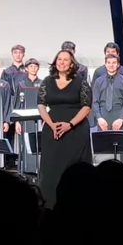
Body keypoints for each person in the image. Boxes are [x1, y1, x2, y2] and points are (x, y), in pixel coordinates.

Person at [37, 49, 93, 208]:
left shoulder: (81, 82)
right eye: (59, 59)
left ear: (72, 63)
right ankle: (49, 206)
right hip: (52, 130)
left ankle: (78, 206)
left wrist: (70, 125)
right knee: (50, 171)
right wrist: (51, 124)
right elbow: (41, 105)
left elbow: (86, 107)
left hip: (76, 131)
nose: (61, 62)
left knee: (75, 170)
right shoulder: (47, 81)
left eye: (65, 60)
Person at [15, 58, 43, 174]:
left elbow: (45, 102)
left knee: (38, 145)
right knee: (25, 145)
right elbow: (16, 103)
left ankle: (38, 171)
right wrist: (16, 121)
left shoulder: (42, 84)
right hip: (24, 120)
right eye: (31, 66)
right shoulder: (21, 85)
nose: (33, 68)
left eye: (35, 66)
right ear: (26, 68)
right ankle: (25, 172)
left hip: (39, 119)